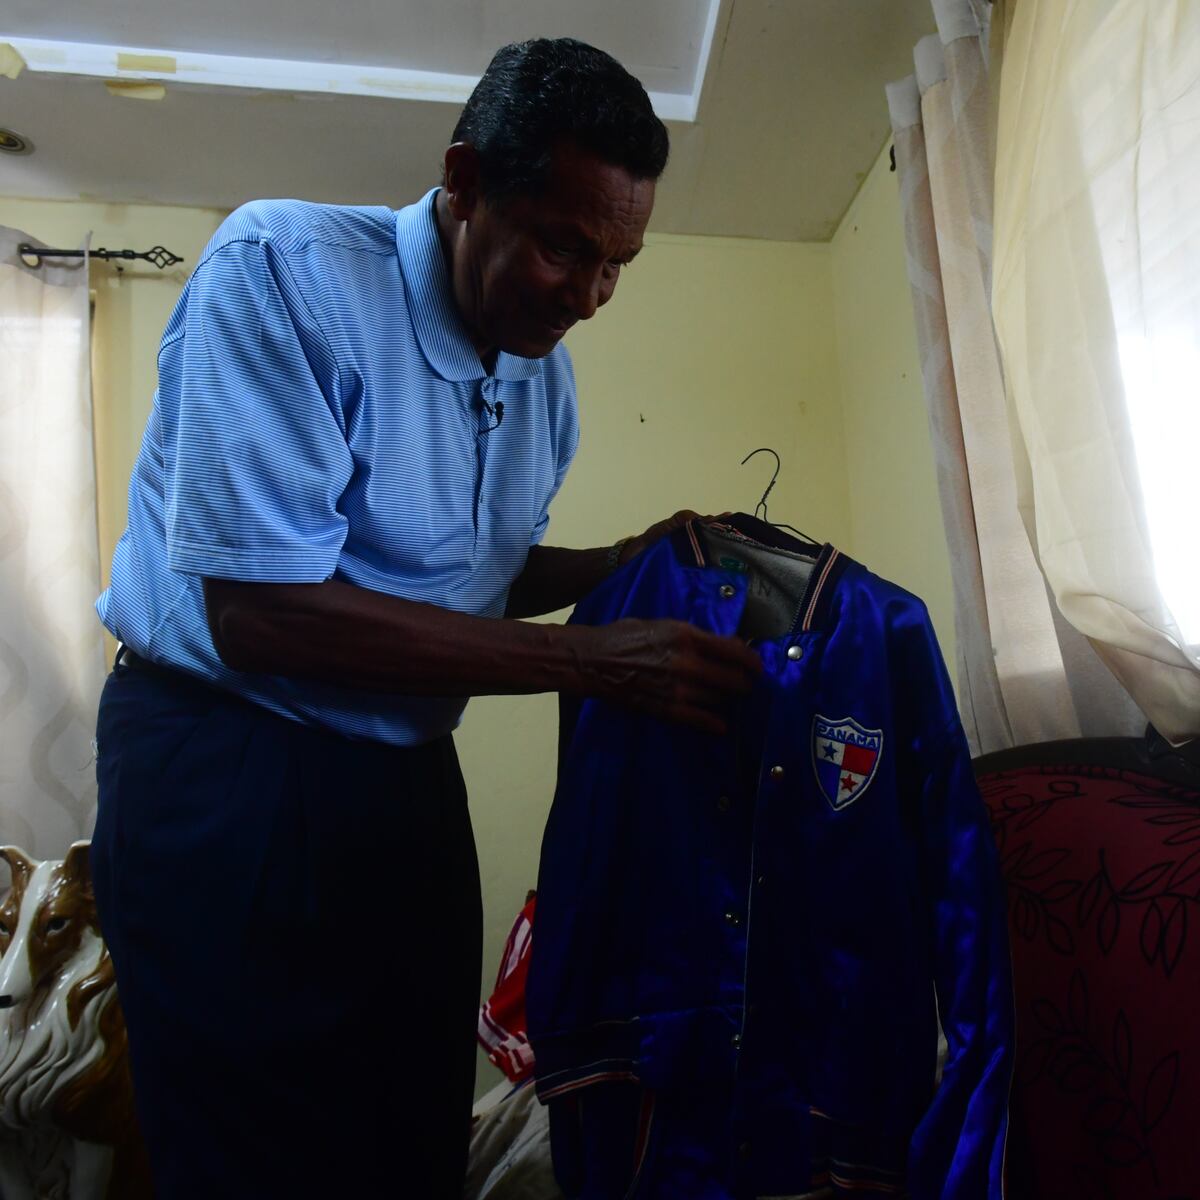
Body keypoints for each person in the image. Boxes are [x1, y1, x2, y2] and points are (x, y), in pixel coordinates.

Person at [89, 36, 761, 1200]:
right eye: (564, 246)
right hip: (224, 768)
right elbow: (267, 615)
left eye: (620, 265)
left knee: (409, 1129)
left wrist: (617, 564)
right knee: (246, 1149)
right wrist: (591, 663)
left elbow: (458, 581)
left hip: (401, 781)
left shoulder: (543, 383)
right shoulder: (282, 270)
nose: (590, 296)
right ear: (462, 181)